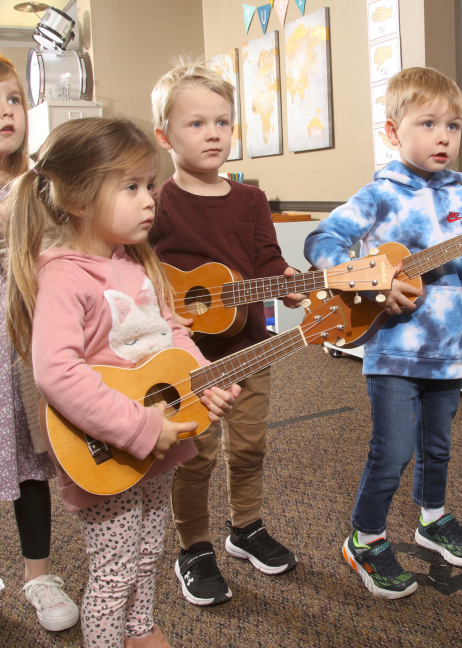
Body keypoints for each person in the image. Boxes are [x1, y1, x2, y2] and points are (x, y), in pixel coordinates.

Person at [3, 116, 240, 647]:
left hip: (154, 445)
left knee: (148, 553)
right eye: (131, 187)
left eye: (150, 185)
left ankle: (140, 632)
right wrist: (136, 428)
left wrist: (203, 378)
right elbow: (56, 372)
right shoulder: (65, 276)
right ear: (80, 199)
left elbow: (170, 333)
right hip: (109, 448)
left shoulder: (134, 262)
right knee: (112, 573)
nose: (149, 199)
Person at [304, 67, 462, 599]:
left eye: (454, 126)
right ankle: (366, 538)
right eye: (428, 123)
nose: (444, 136)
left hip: (448, 352)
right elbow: (323, 242)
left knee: (437, 447)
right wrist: (373, 287)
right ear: (393, 132)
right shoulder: (379, 195)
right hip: (394, 352)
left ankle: (432, 519)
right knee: (391, 451)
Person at [149, 61, 306, 607]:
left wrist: (289, 284)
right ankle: (192, 546)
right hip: (189, 360)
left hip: (251, 346)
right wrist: (166, 308)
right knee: (195, 456)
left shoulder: (250, 201)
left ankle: (247, 526)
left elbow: (267, 260)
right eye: (196, 124)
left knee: (250, 444)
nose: (213, 133)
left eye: (223, 121)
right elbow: (141, 274)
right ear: (164, 135)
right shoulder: (158, 204)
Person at [0, 53, 79, 632]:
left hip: (23, 335)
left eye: (13, 100)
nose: (5, 112)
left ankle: (38, 574)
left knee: (30, 459)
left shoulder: (41, 184)